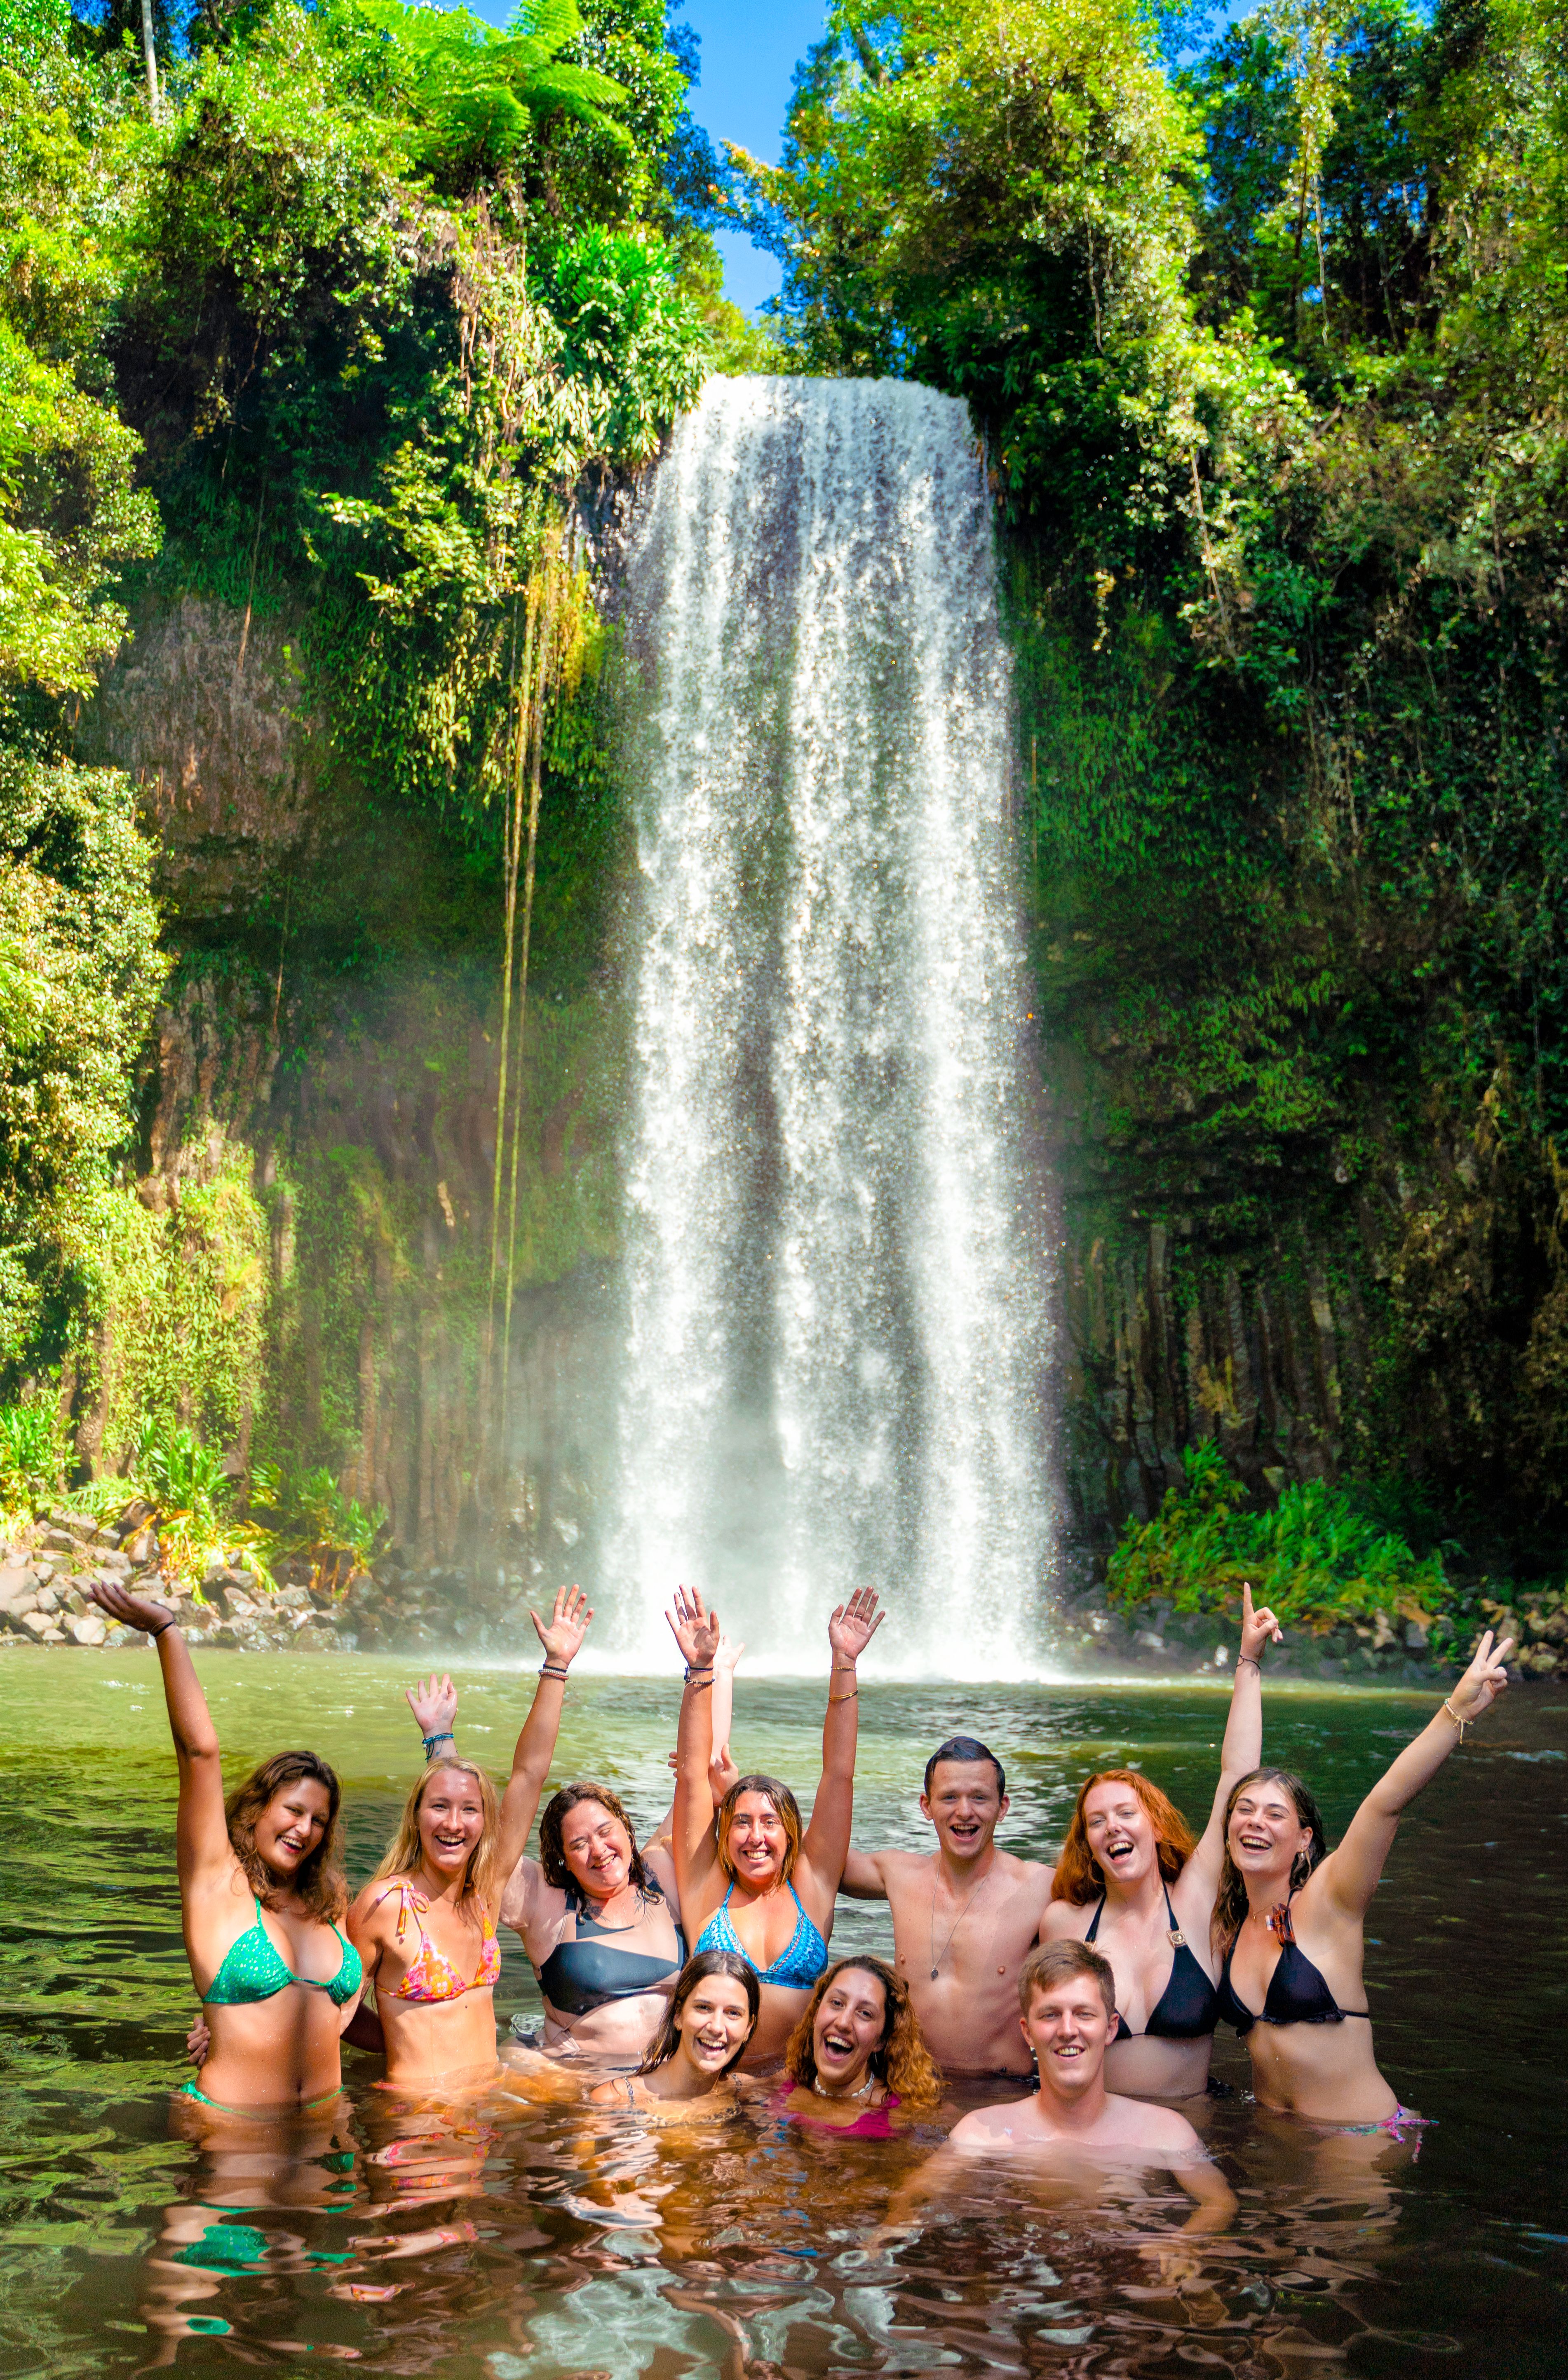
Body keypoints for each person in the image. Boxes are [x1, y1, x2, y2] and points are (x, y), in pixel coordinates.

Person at [1212, 1626, 1515, 2128]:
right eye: (1244, 1811)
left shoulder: (1330, 1900)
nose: (1255, 1822)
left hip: (1360, 2139)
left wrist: (1455, 1712)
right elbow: (1233, 1768)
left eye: (1274, 1814)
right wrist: (1248, 1661)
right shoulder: (1228, 1925)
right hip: (1280, 2142)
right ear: (1228, 1830)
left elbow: (1386, 1803)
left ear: (1304, 1839)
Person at [87, 1581, 364, 2115]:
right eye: (293, 1809)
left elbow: (341, 2000)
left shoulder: (329, 1899)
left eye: (319, 1821)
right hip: (232, 2132)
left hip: (327, 2133)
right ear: (258, 1807)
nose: (304, 1829)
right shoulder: (217, 1880)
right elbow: (199, 1751)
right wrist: (166, 1629)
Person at [404, 1623, 694, 2066]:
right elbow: (508, 1796)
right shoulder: (542, 1900)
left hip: (661, 2084)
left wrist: (706, 1670)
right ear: (562, 1857)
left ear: (628, 1831)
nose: (598, 1851)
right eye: (579, 1843)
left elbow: (696, 1779)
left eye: (605, 1832)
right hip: (572, 2089)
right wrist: (441, 1738)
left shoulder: (660, 1873)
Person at [1040, 1582, 1283, 2099]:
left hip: (1188, 2138)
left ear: (1154, 1826)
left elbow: (1238, 1774)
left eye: (1126, 1813)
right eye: (1097, 1821)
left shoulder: (1197, 1899)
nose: (1113, 1828)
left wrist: (1248, 1662)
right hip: (1099, 2141)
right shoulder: (1065, 1922)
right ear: (1088, 1843)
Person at [348, 1584, 596, 2089]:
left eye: (470, 1811)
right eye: (438, 1808)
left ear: (485, 1823)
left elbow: (529, 1775)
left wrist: (556, 1667)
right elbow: (334, 2010)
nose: (454, 1823)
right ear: (416, 1816)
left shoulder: (483, 1894)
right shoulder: (384, 1905)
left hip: (485, 2115)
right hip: (418, 2128)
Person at [664, 1583, 884, 2065]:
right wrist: (701, 1672)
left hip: (797, 2097)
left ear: (791, 1836)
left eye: (769, 1823)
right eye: (741, 1822)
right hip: (713, 2090)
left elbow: (839, 1773)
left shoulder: (812, 1883)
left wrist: (844, 1662)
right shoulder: (705, 1885)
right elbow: (692, 1775)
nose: (756, 1836)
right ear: (725, 1834)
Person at [890, 1942, 1235, 2237]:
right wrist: (883, 2238)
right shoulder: (981, 2133)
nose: (1068, 2030)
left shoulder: (1165, 2131)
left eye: (1084, 2013)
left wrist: (1181, 2245)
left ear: (1111, 2027)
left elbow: (1219, 2203)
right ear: (1027, 2032)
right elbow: (915, 2194)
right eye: (1051, 2015)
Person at [840, 1734, 1055, 2078]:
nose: (965, 1811)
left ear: (1003, 1807)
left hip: (1001, 2095)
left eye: (980, 1798)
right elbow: (816, 1862)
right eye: (950, 1797)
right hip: (911, 2089)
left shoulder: (1040, 1887)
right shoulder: (898, 1875)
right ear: (926, 1805)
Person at [774, 1955, 942, 2136]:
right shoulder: (791, 2079)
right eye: (837, 2003)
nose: (843, 2023)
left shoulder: (900, 2116)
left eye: (865, 2014)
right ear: (816, 2013)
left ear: (881, 2040)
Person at [587, 1950, 759, 2123]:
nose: (716, 2027)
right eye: (704, 2008)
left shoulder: (746, 2089)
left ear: (748, 2029)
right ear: (678, 2015)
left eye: (733, 2013)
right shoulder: (614, 2099)